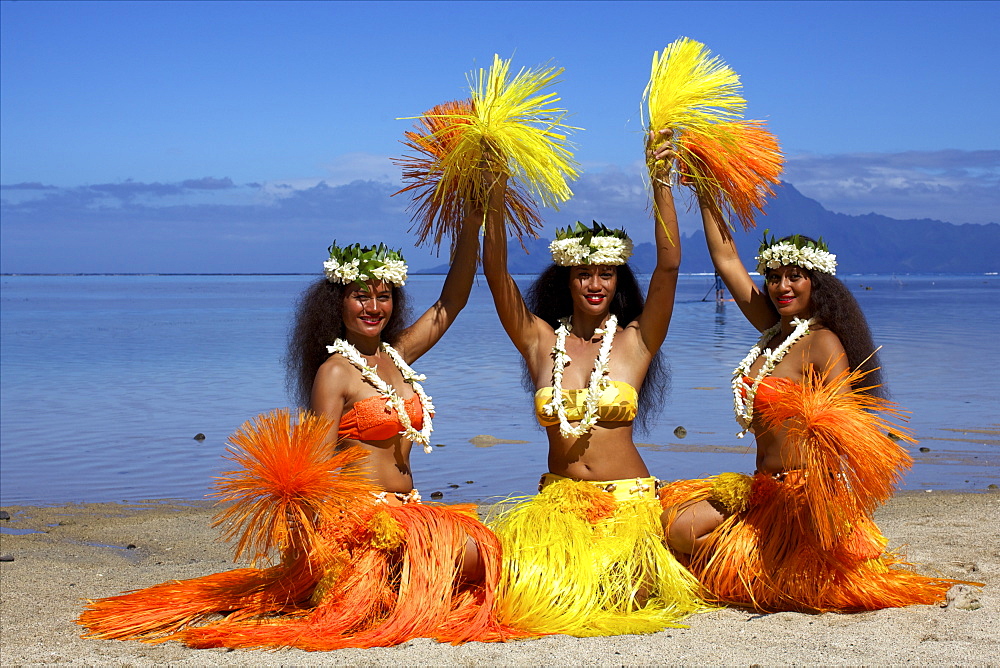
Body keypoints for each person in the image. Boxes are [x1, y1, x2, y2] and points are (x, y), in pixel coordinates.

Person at [80, 211, 528, 649]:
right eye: (360, 296)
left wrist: (471, 221)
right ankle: (384, 579)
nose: (374, 307)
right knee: (467, 561)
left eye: (384, 296)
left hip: (410, 507)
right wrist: (318, 537)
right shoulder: (335, 373)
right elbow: (315, 461)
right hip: (367, 517)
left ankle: (400, 583)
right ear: (338, 303)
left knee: (487, 557)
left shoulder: (398, 357)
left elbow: (453, 301)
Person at [659, 195, 978, 612]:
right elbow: (726, 259)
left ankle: (763, 565)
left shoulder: (822, 342)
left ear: (816, 282)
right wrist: (705, 191)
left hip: (803, 494)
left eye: (795, 276)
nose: (782, 286)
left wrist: (830, 494)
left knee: (804, 585)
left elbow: (847, 423)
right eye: (773, 277)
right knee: (677, 527)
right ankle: (750, 561)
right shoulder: (773, 329)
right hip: (762, 488)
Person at [480, 130, 706, 637]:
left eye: (606, 272)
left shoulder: (636, 341)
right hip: (558, 502)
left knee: (617, 593)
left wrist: (660, 180)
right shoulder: (539, 340)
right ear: (567, 279)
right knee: (519, 589)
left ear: (618, 278)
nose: (596, 282)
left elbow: (670, 264)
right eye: (584, 273)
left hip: (626, 504)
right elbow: (495, 270)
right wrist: (496, 186)